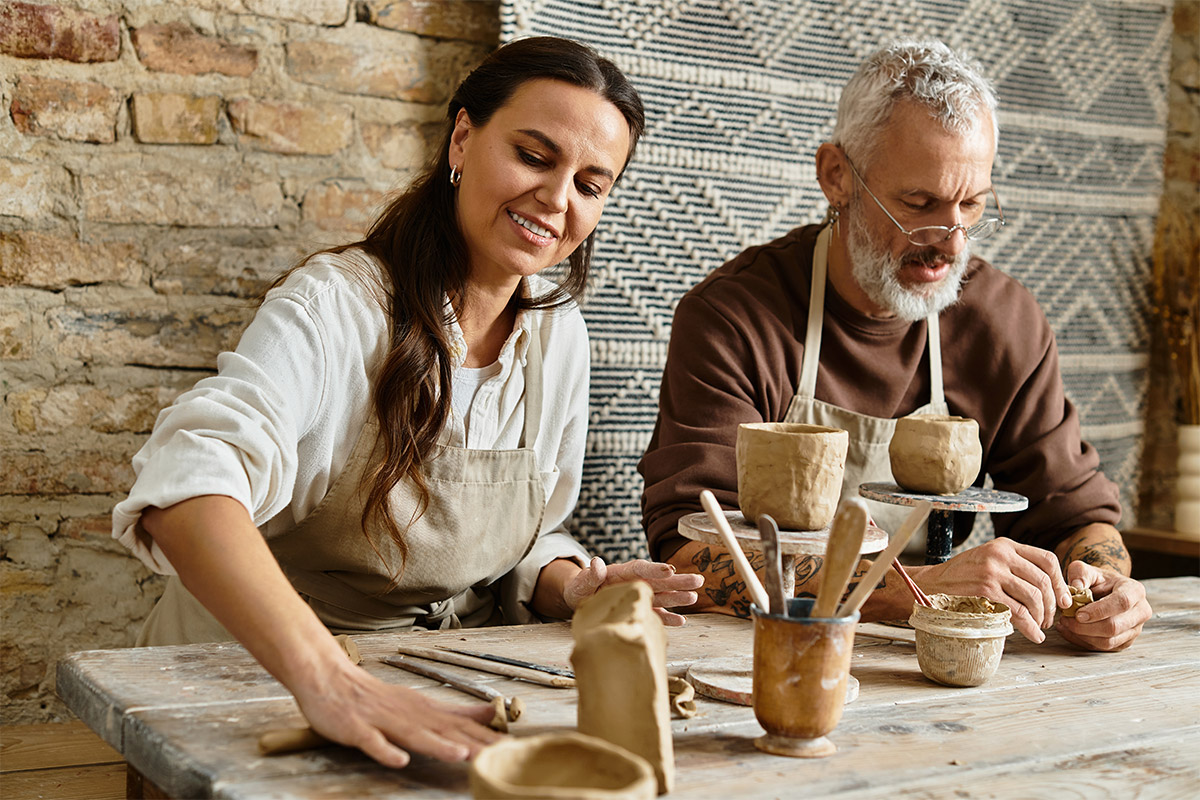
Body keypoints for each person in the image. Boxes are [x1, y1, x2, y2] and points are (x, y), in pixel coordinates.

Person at [112, 37, 702, 768]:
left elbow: (518, 540)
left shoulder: (560, 337)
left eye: (591, 183)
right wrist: (328, 677)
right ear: (462, 138)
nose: (557, 199)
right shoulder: (339, 305)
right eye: (535, 156)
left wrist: (565, 582)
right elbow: (187, 489)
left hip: (430, 678)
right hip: (244, 681)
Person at [639, 40, 1151, 653]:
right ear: (837, 177)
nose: (951, 243)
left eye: (972, 204)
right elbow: (689, 550)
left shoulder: (1002, 322)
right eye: (918, 204)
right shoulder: (733, 316)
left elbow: (1074, 517)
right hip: (761, 654)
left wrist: (1106, 584)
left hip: (933, 658)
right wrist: (916, 588)